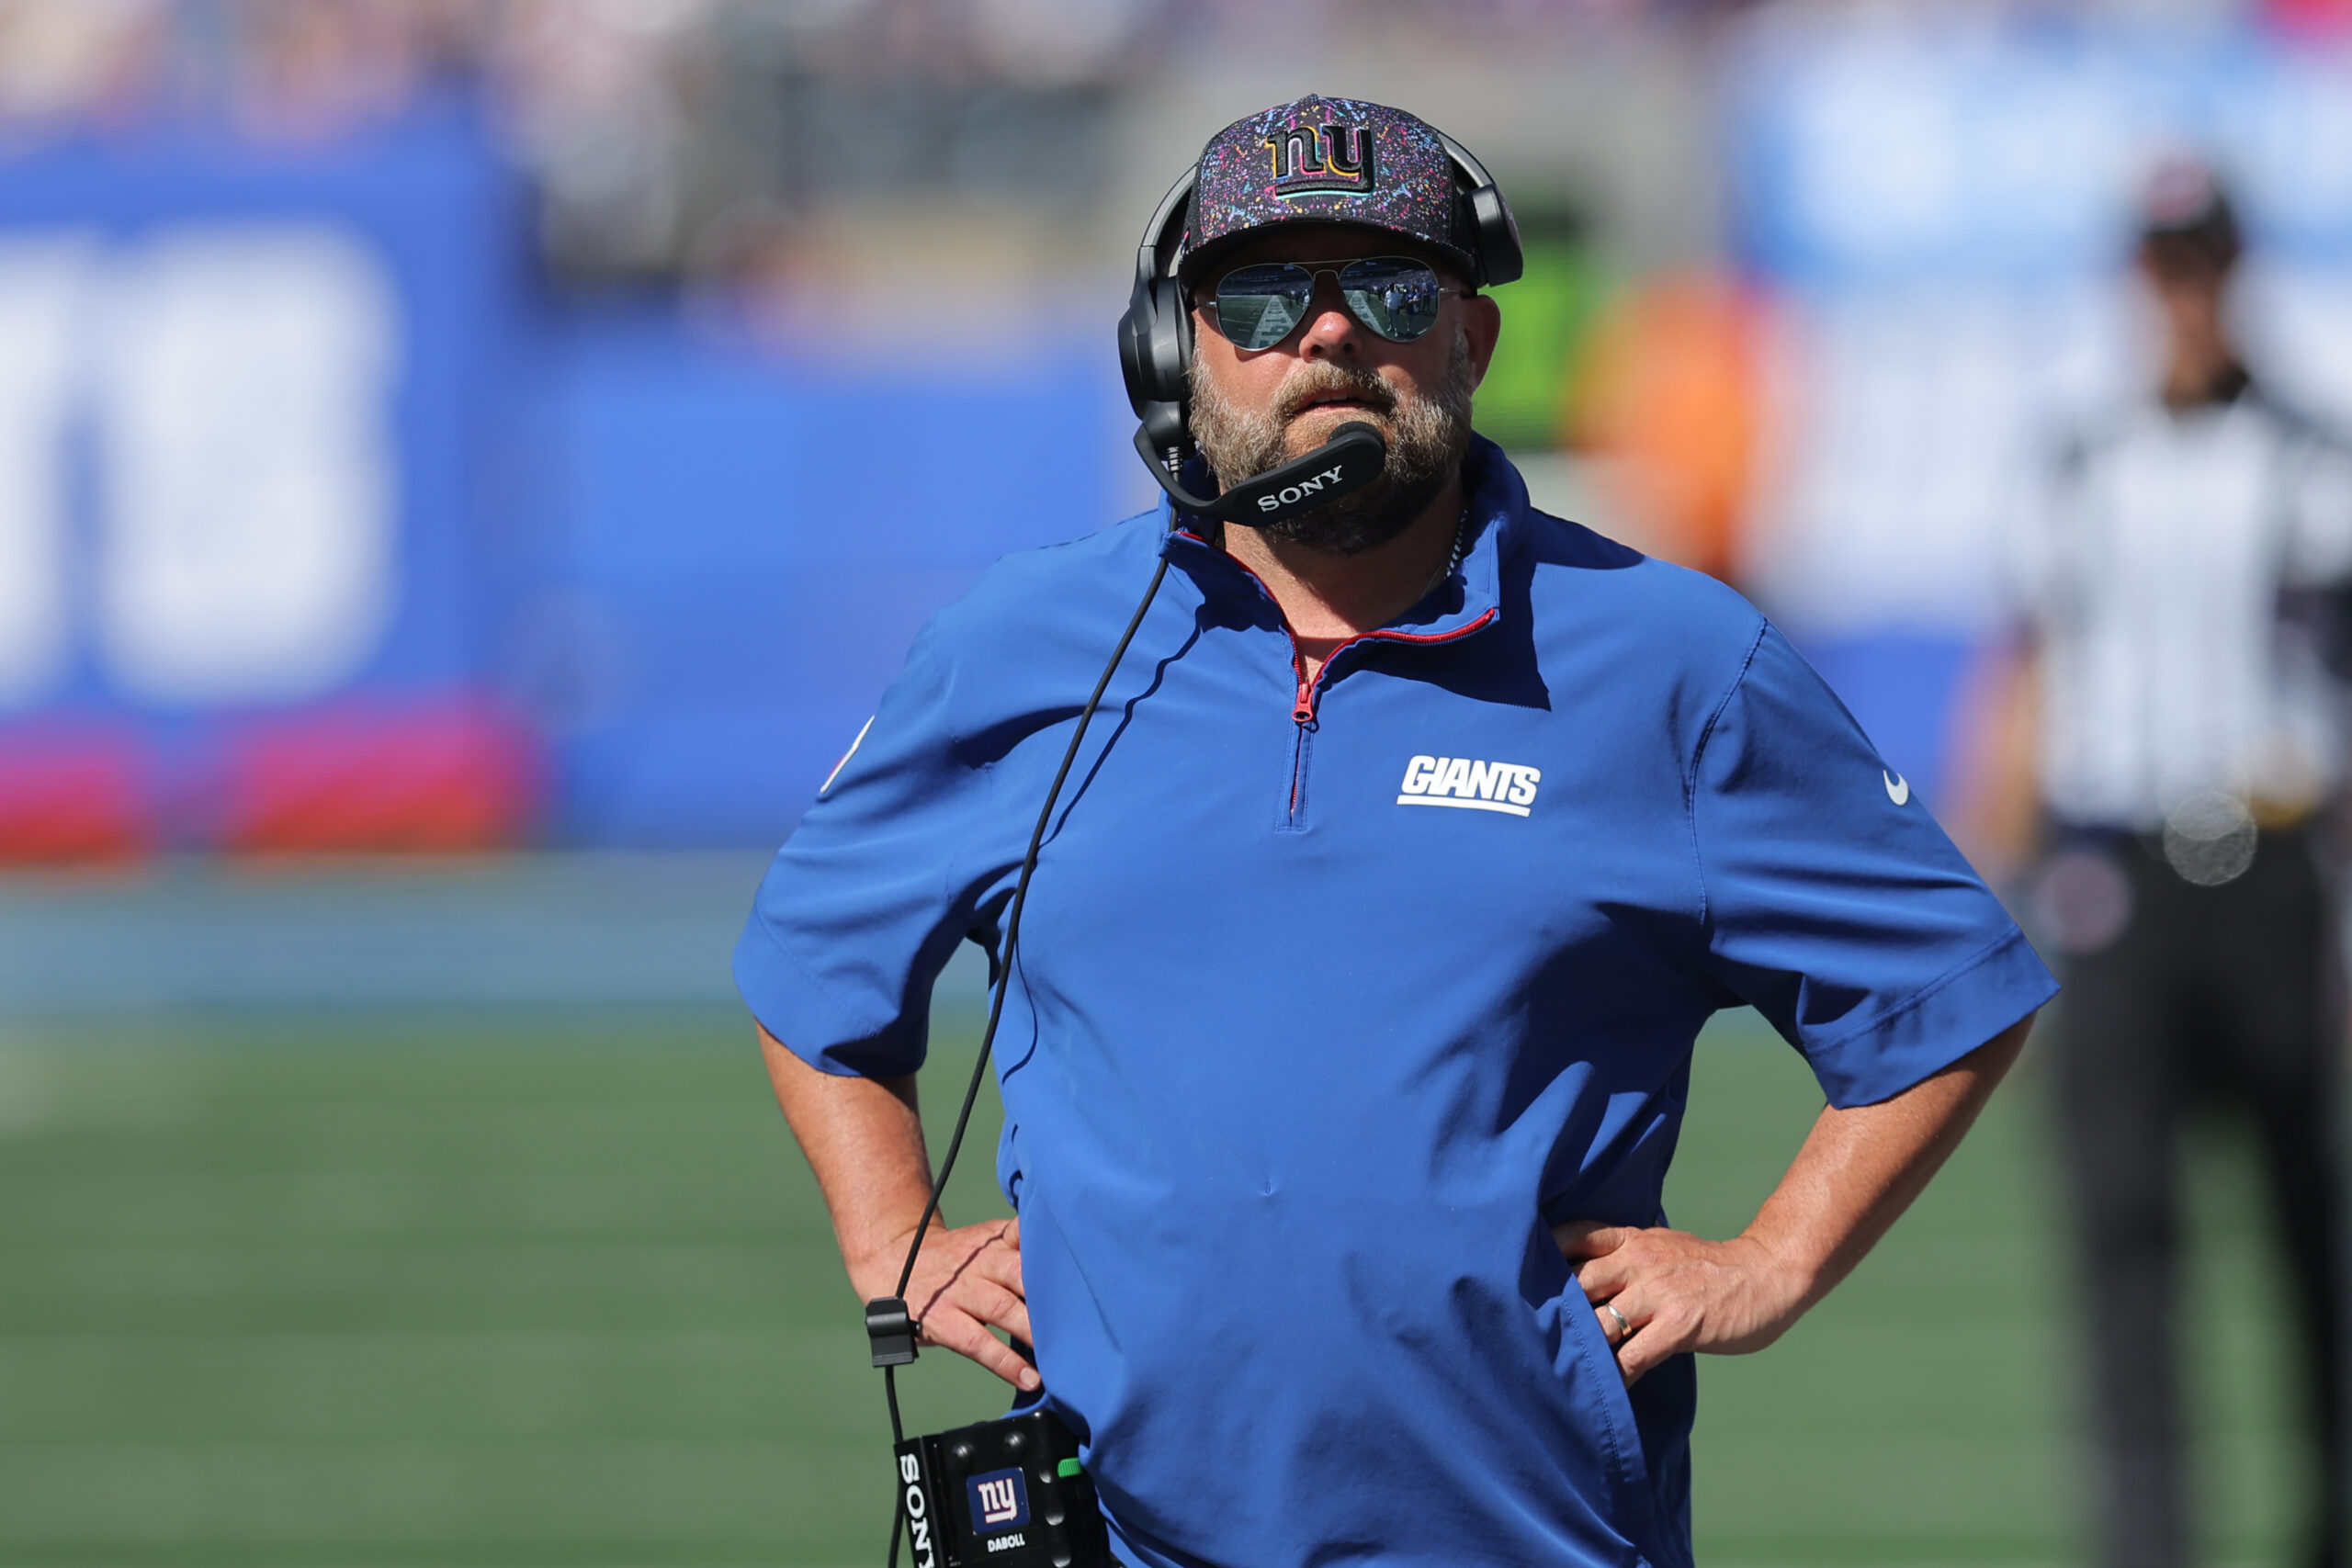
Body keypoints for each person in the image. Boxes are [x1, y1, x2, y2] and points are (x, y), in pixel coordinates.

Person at [737, 96, 2056, 1568]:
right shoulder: (1023, 644)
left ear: (1472, 342)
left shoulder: (1675, 661)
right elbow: (813, 962)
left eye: (1390, 290)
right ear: (1175, 349)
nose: (1328, 335)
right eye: (1259, 295)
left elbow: (1947, 992)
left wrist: (1775, 1259)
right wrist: (893, 1235)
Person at [1968, 157, 2352, 1568]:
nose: (2183, 293)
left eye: (2203, 263)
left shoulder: (2314, 454)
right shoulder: (2077, 451)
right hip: (2116, 873)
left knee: (2308, 1226)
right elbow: (2026, 664)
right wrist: (1983, 888)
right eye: (2162, 264)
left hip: (2275, 865)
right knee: (2124, 1239)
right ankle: (2150, 1549)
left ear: (2238, 272)